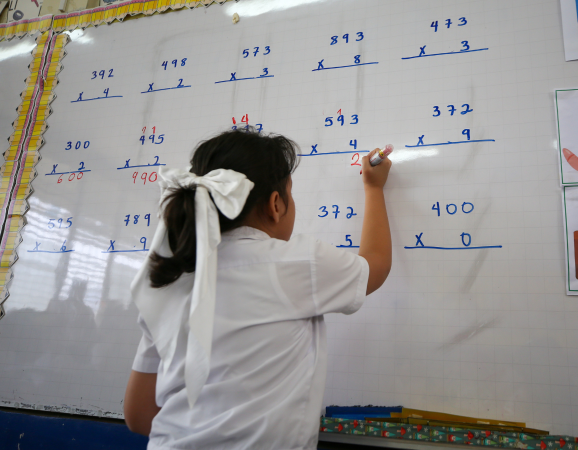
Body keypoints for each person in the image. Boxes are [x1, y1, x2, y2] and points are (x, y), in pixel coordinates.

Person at [123, 128, 392, 449]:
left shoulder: (169, 281)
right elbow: (375, 265)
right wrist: (373, 187)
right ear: (276, 204)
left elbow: (139, 416)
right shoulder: (293, 263)